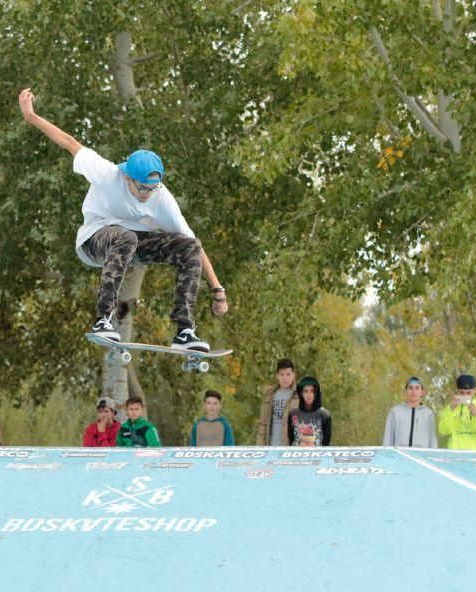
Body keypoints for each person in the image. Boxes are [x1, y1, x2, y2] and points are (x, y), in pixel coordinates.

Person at [18, 88, 227, 351]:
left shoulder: (162, 199)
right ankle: (103, 319)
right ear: (127, 177)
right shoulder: (107, 173)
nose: (146, 195)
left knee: (188, 246)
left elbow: (196, 247)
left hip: (131, 247)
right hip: (94, 240)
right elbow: (69, 141)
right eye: (141, 189)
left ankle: (184, 332)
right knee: (124, 236)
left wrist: (218, 290)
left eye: (151, 190)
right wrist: (31, 116)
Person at [438, 374, 476, 453]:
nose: (465, 396)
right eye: (462, 393)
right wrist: (451, 411)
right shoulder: (449, 408)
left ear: (475, 390)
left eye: (468, 393)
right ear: (457, 390)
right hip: (454, 454)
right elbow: (443, 431)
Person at [382, 377, 438, 448]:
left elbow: (433, 441)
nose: (413, 391)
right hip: (399, 456)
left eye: (417, 388)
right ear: (406, 391)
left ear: (422, 392)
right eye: (410, 388)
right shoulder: (395, 412)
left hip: (420, 457)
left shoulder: (429, 414)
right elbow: (387, 440)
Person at [257, 358, 298, 446]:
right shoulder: (269, 395)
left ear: (293, 375)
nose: (285, 378)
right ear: (277, 376)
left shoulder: (299, 395)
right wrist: (260, 447)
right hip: (272, 445)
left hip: (291, 447)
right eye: (282, 374)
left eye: (288, 374)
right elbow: (263, 423)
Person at [288, 376, 332, 447]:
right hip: (297, 457)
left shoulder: (324, 415)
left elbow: (326, 443)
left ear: (316, 393)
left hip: (317, 457)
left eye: (312, 391)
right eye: (306, 391)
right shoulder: (293, 414)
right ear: (301, 393)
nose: (309, 395)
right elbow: (290, 440)